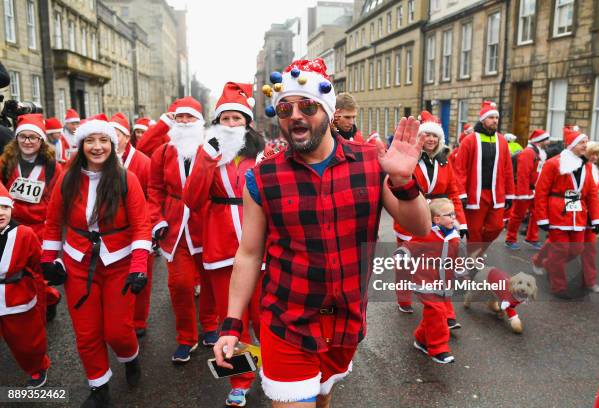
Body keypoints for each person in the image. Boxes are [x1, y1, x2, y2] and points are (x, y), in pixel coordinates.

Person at [213, 59, 430, 407]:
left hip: (346, 322)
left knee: (323, 397)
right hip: (287, 323)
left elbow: (420, 225)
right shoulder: (263, 177)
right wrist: (231, 324)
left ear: (328, 112)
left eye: (307, 106)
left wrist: (404, 180)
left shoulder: (370, 162)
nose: (295, 115)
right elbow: (249, 254)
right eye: (285, 108)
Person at [41, 114, 151, 407]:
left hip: (119, 264)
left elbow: (142, 225)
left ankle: (131, 357)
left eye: (103, 140)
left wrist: (139, 266)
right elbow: (53, 223)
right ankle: (99, 386)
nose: (97, 146)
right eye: (90, 140)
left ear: (113, 145)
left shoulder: (128, 179)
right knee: (87, 332)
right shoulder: (67, 177)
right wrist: (48, 259)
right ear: (81, 145)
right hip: (78, 263)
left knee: (118, 331)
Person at [183, 81, 264, 407]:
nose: (231, 124)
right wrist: (207, 158)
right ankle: (242, 380)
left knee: (265, 316)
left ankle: (273, 368)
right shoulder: (206, 154)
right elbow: (191, 198)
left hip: (259, 247)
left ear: (247, 122)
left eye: (237, 118)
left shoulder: (262, 153)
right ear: (217, 122)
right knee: (233, 320)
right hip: (219, 250)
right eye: (226, 119)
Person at [148, 97, 217, 363]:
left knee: (209, 281)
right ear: (174, 121)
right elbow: (153, 190)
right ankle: (186, 338)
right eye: (180, 118)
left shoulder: (211, 150)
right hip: (175, 228)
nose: (185, 122)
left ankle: (210, 324)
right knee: (180, 284)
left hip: (206, 224)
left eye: (190, 117)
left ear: (199, 122)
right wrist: (157, 219)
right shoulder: (163, 152)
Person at [392, 111, 466, 321]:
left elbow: (453, 193)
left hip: (440, 219)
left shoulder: (445, 161)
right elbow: (396, 186)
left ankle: (445, 312)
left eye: (435, 136)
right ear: (419, 137)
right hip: (412, 217)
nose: (431, 140)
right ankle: (404, 297)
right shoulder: (409, 159)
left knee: (442, 266)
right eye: (427, 135)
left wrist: (461, 222)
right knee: (406, 262)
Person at [0, 114, 62, 322]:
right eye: (23, 137)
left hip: (40, 228)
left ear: (41, 141)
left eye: (32, 138)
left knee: (39, 272)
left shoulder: (53, 166)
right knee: (15, 271)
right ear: (16, 139)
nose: (27, 142)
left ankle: (48, 301)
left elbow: (58, 198)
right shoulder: (5, 162)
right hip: (12, 227)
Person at [532, 126, 599, 298]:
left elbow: (592, 195)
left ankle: (550, 264)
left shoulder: (585, 166)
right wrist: (542, 218)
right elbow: (541, 192)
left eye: (586, 142)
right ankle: (558, 287)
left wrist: (597, 219)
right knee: (560, 249)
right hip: (557, 211)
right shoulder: (553, 163)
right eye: (582, 143)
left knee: (577, 249)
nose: (585, 146)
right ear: (572, 144)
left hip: (577, 212)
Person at [398, 198, 462, 364]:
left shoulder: (454, 236)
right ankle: (438, 348)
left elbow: (457, 256)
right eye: (449, 215)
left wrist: (461, 270)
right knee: (438, 311)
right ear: (437, 219)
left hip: (443, 282)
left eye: (454, 213)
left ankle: (420, 339)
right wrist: (402, 253)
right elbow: (411, 245)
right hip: (425, 280)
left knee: (433, 313)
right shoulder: (426, 234)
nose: (453, 217)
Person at [0, 182, 51, 388]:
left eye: (4, 207)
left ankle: (38, 367)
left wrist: (42, 302)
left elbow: (38, 270)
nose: (0, 213)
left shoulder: (25, 234)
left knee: (27, 342)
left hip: (18, 297)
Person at [110, 113, 156, 334]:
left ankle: (138, 321)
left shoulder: (143, 162)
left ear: (127, 138)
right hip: (111, 232)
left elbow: (153, 196)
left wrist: (151, 226)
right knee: (115, 277)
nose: (110, 139)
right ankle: (119, 318)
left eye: (115, 135)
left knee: (141, 275)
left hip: (140, 229)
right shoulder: (100, 161)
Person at [454, 101, 515, 257]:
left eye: (496, 117)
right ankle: (472, 261)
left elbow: (508, 169)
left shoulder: (502, 140)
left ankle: (478, 252)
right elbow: (459, 169)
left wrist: (510, 193)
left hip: (496, 194)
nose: (495, 120)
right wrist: (461, 194)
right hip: (475, 195)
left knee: (496, 227)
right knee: (474, 231)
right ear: (483, 120)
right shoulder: (469, 140)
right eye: (491, 117)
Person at [505, 129, 550, 250]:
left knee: (536, 214)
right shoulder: (528, 153)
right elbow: (523, 174)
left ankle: (532, 238)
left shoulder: (538, 153)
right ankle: (510, 239)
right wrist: (523, 193)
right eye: (546, 139)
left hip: (534, 190)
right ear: (539, 141)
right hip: (524, 191)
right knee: (517, 215)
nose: (548, 142)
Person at [580, 141, 599, 294]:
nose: (595, 157)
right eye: (592, 154)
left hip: (590, 216)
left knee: (590, 250)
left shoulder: (594, 169)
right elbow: (572, 193)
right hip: (576, 215)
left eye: (597, 154)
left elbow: (594, 197)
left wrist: (596, 218)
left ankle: (589, 282)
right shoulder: (577, 168)